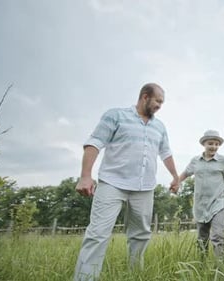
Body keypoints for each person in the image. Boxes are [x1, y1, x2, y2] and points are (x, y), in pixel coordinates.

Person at [74, 83, 179, 281]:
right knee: (97, 234)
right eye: (158, 101)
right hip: (112, 183)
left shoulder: (159, 126)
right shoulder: (116, 116)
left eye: (162, 103)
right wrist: (86, 175)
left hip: (144, 188)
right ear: (145, 96)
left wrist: (175, 176)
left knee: (141, 235)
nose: (160, 106)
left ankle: (135, 275)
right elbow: (94, 142)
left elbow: (166, 153)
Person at [171, 130, 224, 260]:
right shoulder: (195, 161)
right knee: (202, 238)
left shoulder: (223, 161)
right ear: (204, 144)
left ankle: (219, 268)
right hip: (200, 205)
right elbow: (185, 173)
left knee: (217, 236)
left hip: (218, 203)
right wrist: (176, 183)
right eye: (210, 143)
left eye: (216, 144)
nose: (214, 146)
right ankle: (202, 265)